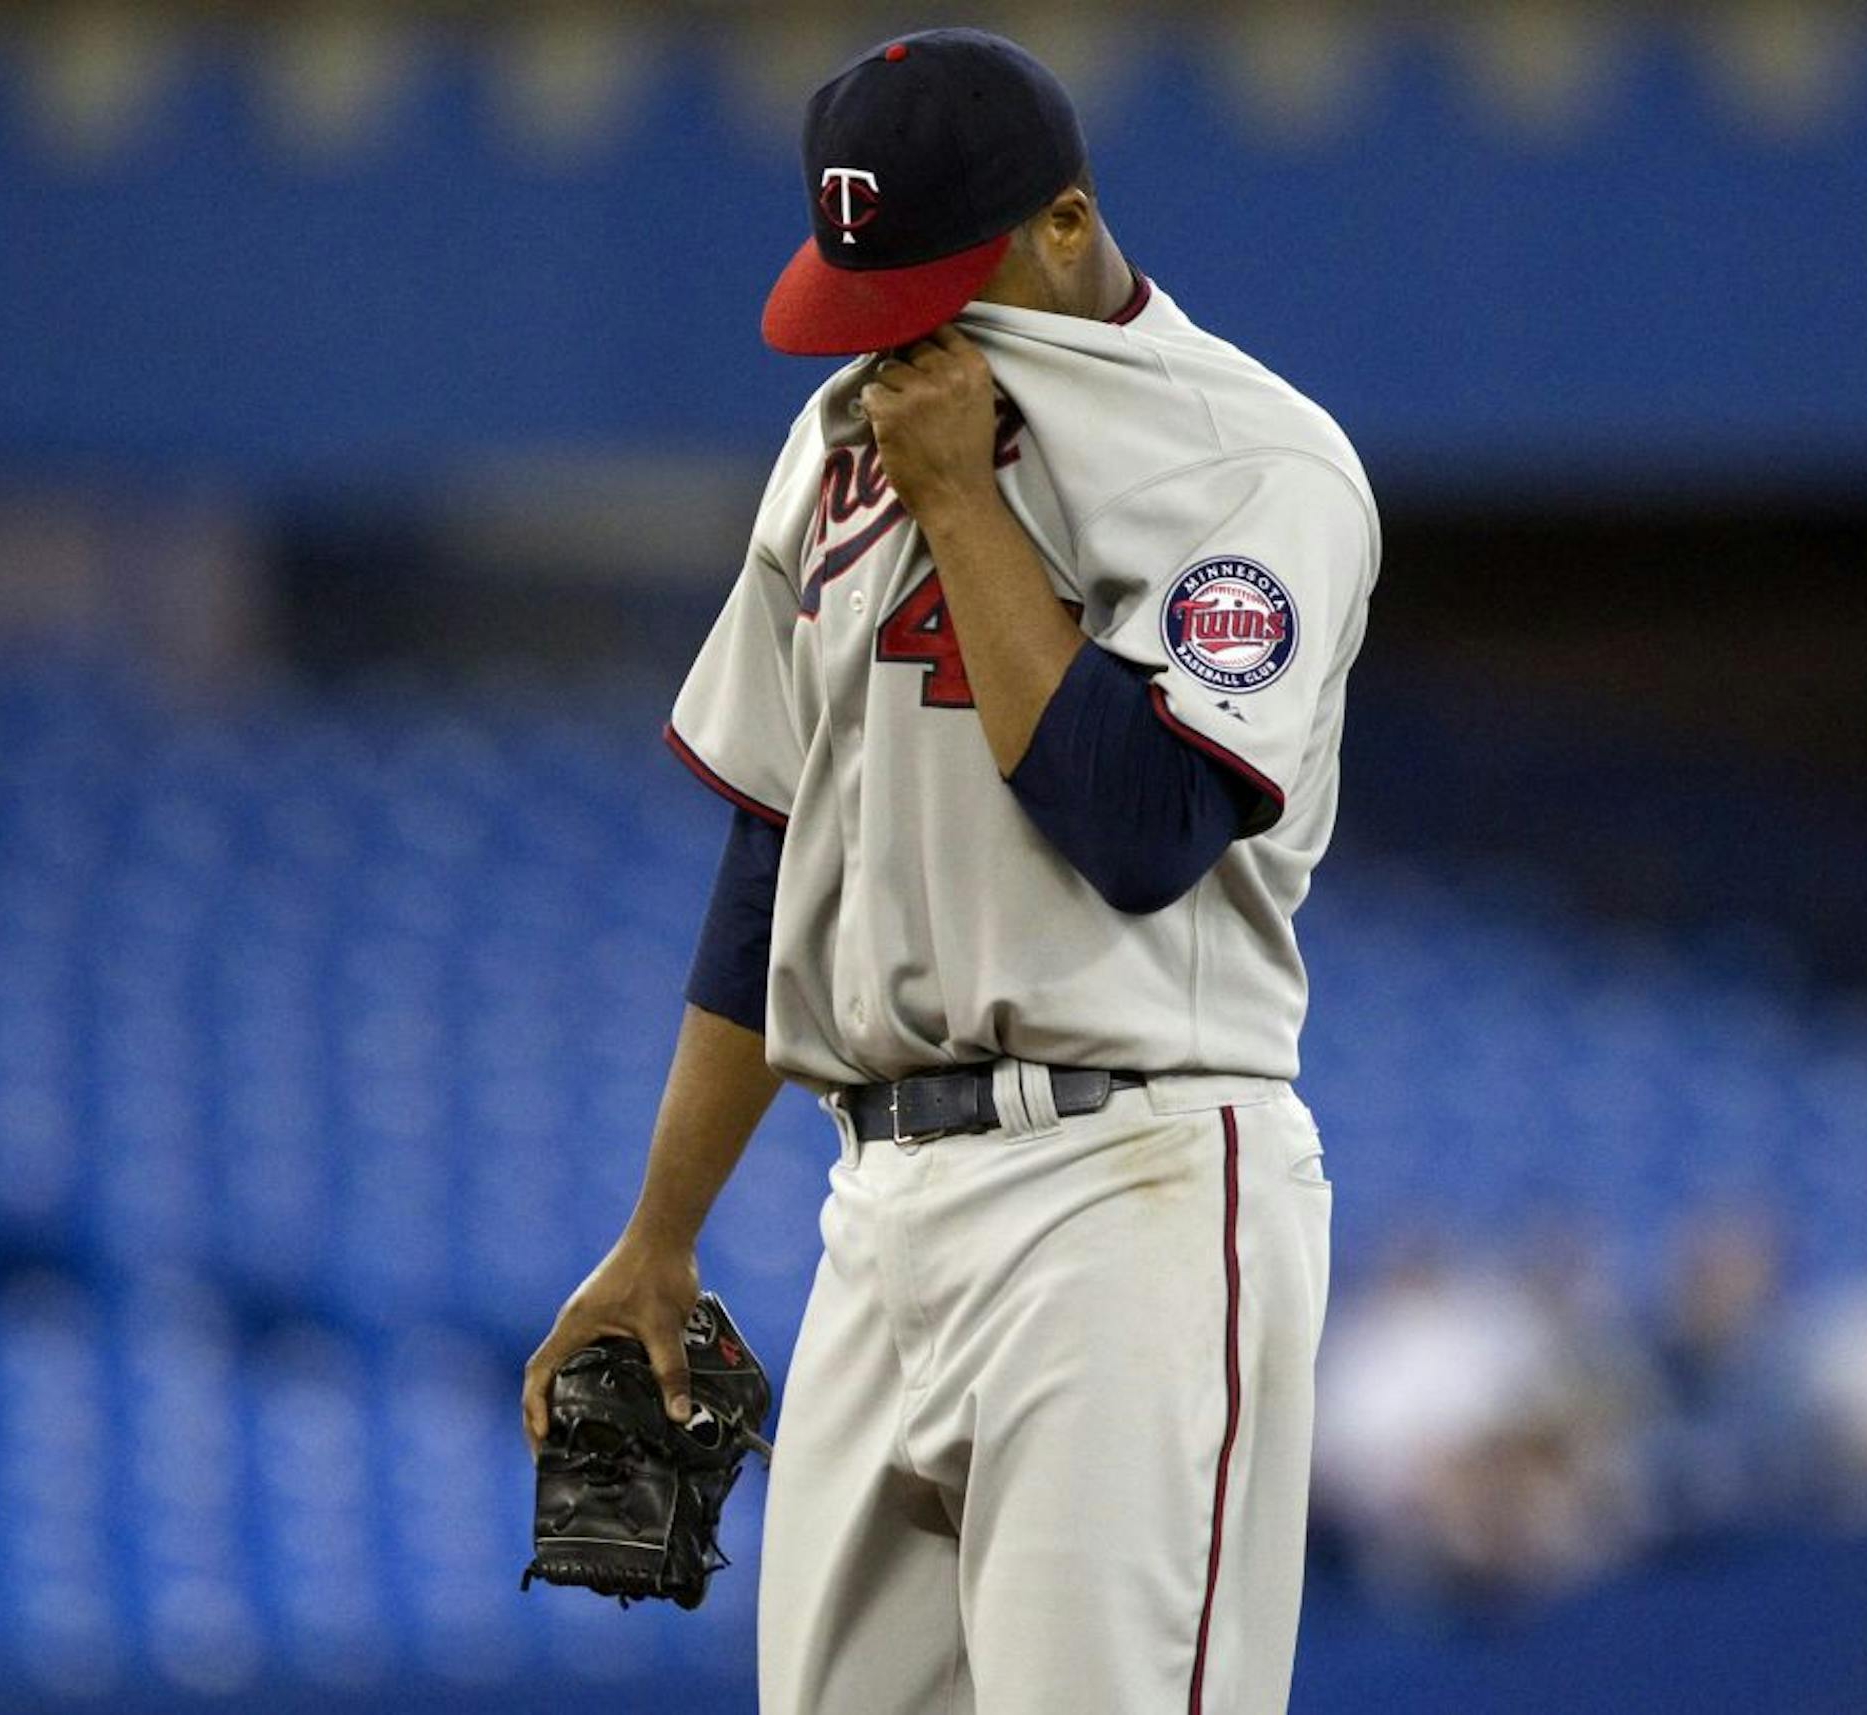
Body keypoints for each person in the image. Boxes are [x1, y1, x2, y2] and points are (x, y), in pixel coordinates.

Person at [524, 27, 1378, 1713]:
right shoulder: (843, 440)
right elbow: (777, 853)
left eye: (930, 276)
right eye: (867, 286)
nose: (894, 331)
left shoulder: (1257, 462)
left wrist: (964, 505)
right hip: (880, 1205)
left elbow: (1141, 827)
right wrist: (661, 1235)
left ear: (1065, 222)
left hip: (1128, 1185)